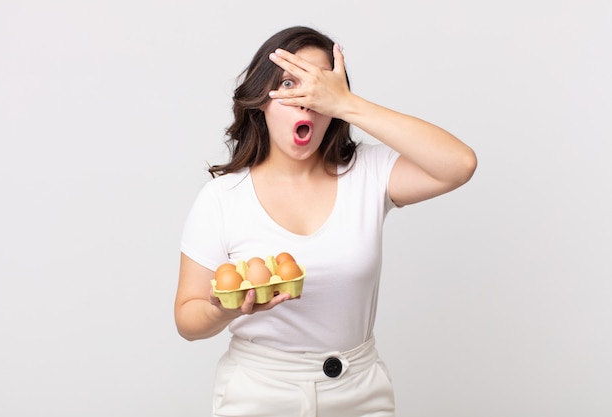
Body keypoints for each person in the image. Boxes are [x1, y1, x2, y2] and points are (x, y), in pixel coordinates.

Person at [174, 26, 477, 417]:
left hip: (360, 391)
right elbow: (187, 317)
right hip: (258, 392)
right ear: (261, 99)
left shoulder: (367, 173)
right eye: (289, 83)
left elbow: (459, 164)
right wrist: (227, 310)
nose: (306, 101)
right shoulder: (222, 198)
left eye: (319, 86)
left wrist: (348, 103)